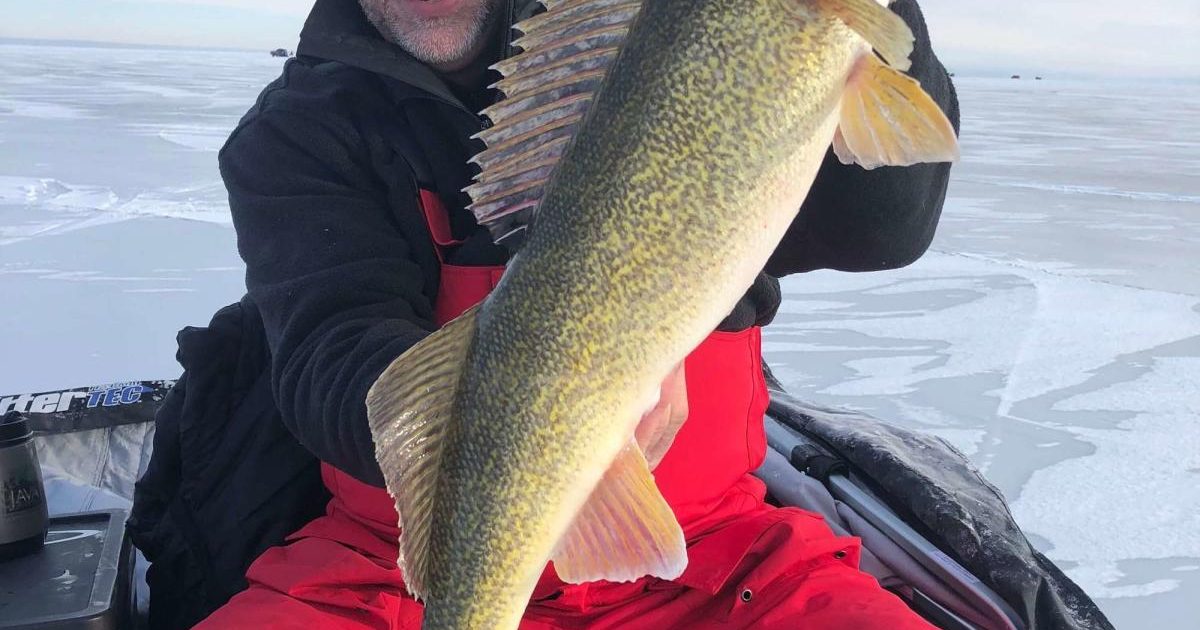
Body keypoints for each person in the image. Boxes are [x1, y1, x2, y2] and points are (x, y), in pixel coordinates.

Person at [135, 0, 960, 627]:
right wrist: (553, 417)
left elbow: (883, 228)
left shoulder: (633, 33)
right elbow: (329, 349)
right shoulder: (297, 133)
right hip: (396, 569)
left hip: (710, 553)